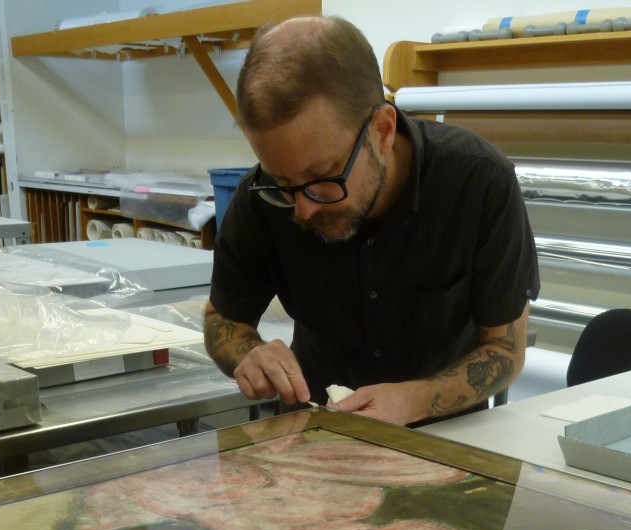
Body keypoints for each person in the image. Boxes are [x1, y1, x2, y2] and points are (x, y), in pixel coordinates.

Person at [204, 15, 540, 426]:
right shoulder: (261, 198)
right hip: (314, 439)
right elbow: (223, 318)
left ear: (381, 130)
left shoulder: (479, 183)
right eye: (283, 182)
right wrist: (246, 353)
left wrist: (413, 401)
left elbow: (505, 352)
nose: (302, 209)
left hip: (447, 441)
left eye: (321, 179)